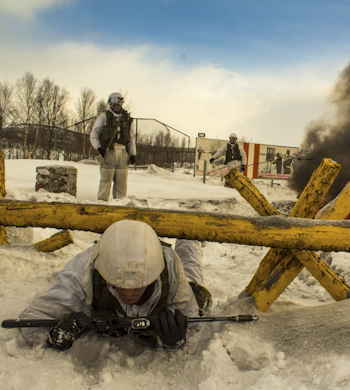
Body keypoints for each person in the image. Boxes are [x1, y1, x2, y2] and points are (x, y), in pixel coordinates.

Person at [18, 220, 210, 351]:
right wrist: (55, 337)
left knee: (193, 278)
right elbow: (29, 323)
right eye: (119, 284)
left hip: (174, 273)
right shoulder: (84, 270)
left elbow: (194, 328)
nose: (128, 293)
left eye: (138, 286)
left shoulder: (169, 264)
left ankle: (189, 238)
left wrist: (176, 339)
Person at [90, 92, 136, 200]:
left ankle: (120, 204)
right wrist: (99, 148)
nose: (116, 107)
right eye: (114, 105)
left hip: (123, 153)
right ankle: (102, 203)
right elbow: (94, 134)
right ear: (111, 104)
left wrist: (133, 153)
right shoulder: (103, 117)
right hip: (108, 152)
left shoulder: (127, 119)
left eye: (118, 105)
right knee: (106, 180)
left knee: (121, 182)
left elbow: (131, 137)